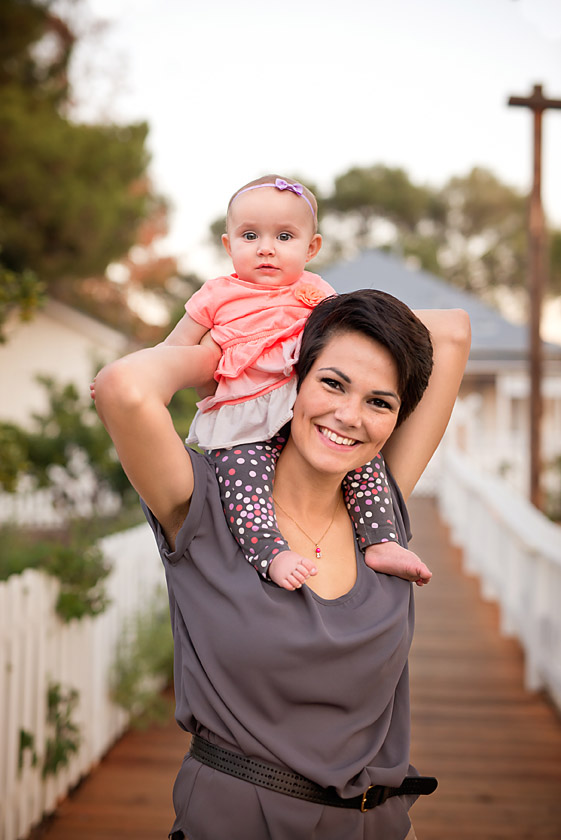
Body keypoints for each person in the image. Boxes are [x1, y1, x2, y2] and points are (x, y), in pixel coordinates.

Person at [93, 287, 471, 839]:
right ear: (292, 382)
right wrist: (254, 344)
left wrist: (316, 312)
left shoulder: (380, 512)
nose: (349, 416)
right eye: (332, 383)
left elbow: (454, 330)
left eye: (380, 402)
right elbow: (122, 389)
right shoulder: (205, 506)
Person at [160, 174, 431, 590]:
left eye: (284, 236)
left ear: (312, 247)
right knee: (243, 484)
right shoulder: (217, 295)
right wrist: (148, 379)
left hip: (299, 411)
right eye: (250, 235)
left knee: (367, 468)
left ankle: (381, 540)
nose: (266, 248)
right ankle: (270, 551)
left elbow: (359, 335)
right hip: (244, 419)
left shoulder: (316, 291)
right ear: (229, 245)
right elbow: (174, 347)